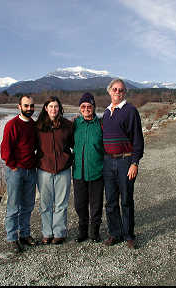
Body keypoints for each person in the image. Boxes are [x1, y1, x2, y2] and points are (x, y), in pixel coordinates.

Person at [102, 78, 144, 249]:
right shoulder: (106, 113)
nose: (118, 92)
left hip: (125, 161)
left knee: (126, 200)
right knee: (111, 201)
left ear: (124, 92)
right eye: (115, 89)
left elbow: (138, 139)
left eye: (121, 90)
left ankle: (128, 235)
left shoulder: (130, 111)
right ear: (109, 91)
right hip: (107, 161)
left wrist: (135, 162)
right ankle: (115, 233)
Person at [0, 95, 38, 253]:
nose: (29, 109)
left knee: (28, 205)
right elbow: (5, 149)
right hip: (16, 170)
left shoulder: (33, 125)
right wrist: (13, 166)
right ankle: (11, 238)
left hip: (31, 170)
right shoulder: (12, 125)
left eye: (31, 106)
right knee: (13, 205)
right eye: (26, 106)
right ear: (19, 107)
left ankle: (24, 234)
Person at [36, 96, 74, 245]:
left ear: (60, 108)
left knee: (61, 203)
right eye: (50, 106)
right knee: (45, 204)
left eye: (56, 106)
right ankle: (47, 233)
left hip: (63, 170)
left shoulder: (67, 125)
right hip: (44, 169)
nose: (53, 109)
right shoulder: (38, 126)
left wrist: (68, 158)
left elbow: (73, 144)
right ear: (46, 108)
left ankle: (59, 232)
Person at [72, 92, 105, 243]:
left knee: (96, 204)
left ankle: (94, 232)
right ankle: (82, 231)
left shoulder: (101, 124)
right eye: (83, 106)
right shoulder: (75, 124)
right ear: (80, 108)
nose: (86, 109)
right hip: (79, 172)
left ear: (94, 108)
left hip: (97, 171)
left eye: (89, 106)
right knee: (79, 204)